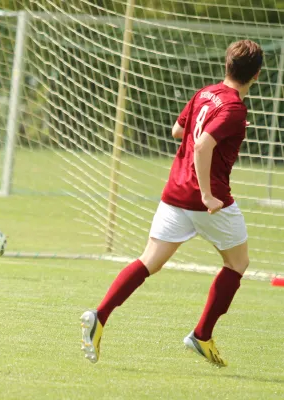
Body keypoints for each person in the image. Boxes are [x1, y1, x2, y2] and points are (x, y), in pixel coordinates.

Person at [80, 40, 264, 367]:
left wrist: (207, 134)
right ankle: (202, 334)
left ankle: (100, 315)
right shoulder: (234, 108)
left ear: (227, 65)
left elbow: (178, 131)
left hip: (174, 193)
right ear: (257, 75)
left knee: (149, 261)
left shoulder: (204, 93)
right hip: (207, 200)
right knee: (238, 263)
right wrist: (208, 193)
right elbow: (203, 145)